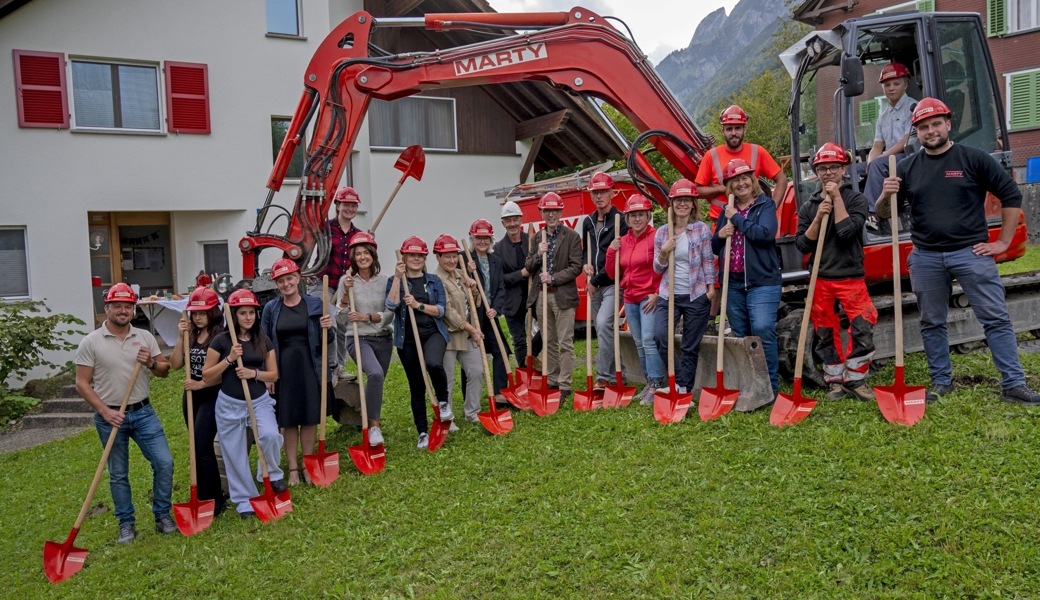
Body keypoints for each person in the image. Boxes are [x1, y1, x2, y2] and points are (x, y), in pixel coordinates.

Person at [877, 98, 1040, 405]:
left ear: (948, 124)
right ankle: (941, 383)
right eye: (923, 127)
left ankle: (1014, 384)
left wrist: (1003, 242)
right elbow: (884, 213)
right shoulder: (907, 167)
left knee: (995, 319)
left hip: (970, 253)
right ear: (916, 132)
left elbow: (1011, 194)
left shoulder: (973, 158)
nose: (931, 131)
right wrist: (887, 195)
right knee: (932, 322)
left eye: (936, 124)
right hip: (925, 256)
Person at [75, 283, 175, 543]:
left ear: (133, 309)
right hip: (110, 418)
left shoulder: (144, 337)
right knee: (118, 473)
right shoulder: (91, 342)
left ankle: (162, 515)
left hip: (143, 412)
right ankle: (126, 524)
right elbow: (82, 383)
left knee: (164, 462)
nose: (123, 310)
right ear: (106, 308)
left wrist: (151, 362)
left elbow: (164, 370)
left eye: (128, 306)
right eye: (117, 306)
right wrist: (105, 411)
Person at [795, 143, 877, 402]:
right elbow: (802, 245)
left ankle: (855, 378)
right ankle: (834, 380)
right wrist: (819, 218)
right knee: (824, 332)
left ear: (843, 169)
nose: (828, 172)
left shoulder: (856, 199)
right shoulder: (809, 206)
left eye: (833, 167)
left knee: (863, 326)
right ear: (816, 171)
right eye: (822, 168)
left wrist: (837, 199)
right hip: (821, 279)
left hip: (850, 277)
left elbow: (846, 232)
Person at [203, 289, 284, 519]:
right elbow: (207, 376)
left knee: (269, 435)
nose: (248, 317)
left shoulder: (262, 339)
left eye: (252, 312)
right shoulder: (221, 341)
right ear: (233, 315)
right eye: (242, 313)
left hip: (259, 401)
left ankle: (270, 473)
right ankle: (245, 501)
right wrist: (228, 359)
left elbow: (274, 375)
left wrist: (252, 373)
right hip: (229, 405)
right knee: (234, 454)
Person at [260, 258, 334, 486]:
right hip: (284, 369)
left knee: (310, 418)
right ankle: (292, 468)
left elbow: (327, 340)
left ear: (298, 277)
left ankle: (307, 464)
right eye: (280, 281)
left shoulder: (314, 304)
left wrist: (328, 328)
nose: (286, 284)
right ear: (277, 284)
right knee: (288, 420)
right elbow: (264, 343)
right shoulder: (271, 309)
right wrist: (267, 374)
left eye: (289, 278)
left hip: (310, 367)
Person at [713, 159, 783, 395]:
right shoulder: (727, 211)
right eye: (735, 180)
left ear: (752, 181)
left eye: (744, 178)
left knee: (762, 329)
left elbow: (764, 234)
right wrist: (721, 234)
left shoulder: (765, 205)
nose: (741, 183)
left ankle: (771, 385)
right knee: (741, 335)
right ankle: (753, 385)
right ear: (729, 186)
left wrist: (737, 219)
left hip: (761, 281)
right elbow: (714, 246)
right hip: (732, 283)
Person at [385, 236, 453, 449]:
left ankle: (443, 402)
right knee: (417, 386)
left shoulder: (434, 280)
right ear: (404, 257)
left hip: (433, 333)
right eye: (411, 255)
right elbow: (390, 304)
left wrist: (417, 305)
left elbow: (441, 310)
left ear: (425, 258)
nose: (415, 259)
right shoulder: (395, 280)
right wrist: (397, 278)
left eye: (419, 255)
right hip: (407, 339)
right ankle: (422, 432)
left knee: (434, 363)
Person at [168, 286, 227, 517]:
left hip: (212, 394)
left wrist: (201, 384)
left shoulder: (221, 336)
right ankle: (202, 495)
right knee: (195, 446)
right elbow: (175, 364)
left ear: (213, 312)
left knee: (203, 446)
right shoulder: (191, 334)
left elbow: (225, 372)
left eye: (203, 313)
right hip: (191, 395)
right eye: (195, 313)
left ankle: (216, 500)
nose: (199, 317)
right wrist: (181, 337)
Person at [654, 183, 716, 395]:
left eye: (687, 200)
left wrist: (710, 289)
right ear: (671, 203)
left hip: (696, 294)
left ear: (693, 204)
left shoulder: (701, 229)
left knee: (690, 346)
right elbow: (657, 268)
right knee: (660, 336)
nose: (682, 203)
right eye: (678, 200)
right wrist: (663, 252)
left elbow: (708, 260)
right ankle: (679, 380)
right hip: (668, 294)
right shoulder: (663, 232)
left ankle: (684, 390)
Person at [335, 232, 393, 446]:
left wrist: (367, 316)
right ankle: (374, 427)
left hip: (384, 338)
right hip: (358, 338)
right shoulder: (346, 281)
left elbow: (390, 314)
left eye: (366, 253)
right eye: (357, 253)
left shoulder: (386, 280)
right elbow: (340, 318)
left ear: (373, 254)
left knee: (377, 380)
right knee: (375, 374)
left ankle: (366, 418)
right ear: (352, 257)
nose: (362, 257)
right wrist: (344, 295)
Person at [524, 192, 583, 401]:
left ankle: (565, 385)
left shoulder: (572, 236)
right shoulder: (537, 237)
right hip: (541, 296)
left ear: (560, 212)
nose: (551, 214)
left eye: (554, 211)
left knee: (565, 342)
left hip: (562, 295)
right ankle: (553, 379)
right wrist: (538, 254)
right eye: (547, 211)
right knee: (548, 340)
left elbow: (576, 267)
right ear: (541, 212)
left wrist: (554, 278)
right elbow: (528, 265)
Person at [605, 194, 663, 404]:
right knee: (639, 342)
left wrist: (656, 292)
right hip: (629, 298)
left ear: (648, 216)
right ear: (627, 219)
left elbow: (664, 267)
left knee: (648, 340)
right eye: (633, 215)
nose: (637, 219)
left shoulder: (656, 237)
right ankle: (649, 383)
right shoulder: (624, 241)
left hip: (648, 298)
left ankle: (656, 384)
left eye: (641, 214)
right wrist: (612, 251)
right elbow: (612, 274)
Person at [695, 105, 787, 223]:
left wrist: (771, 210)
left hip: (752, 223)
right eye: (729, 129)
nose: (733, 133)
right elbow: (697, 191)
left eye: (737, 128)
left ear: (744, 129)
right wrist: (720, 189)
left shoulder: (757, 151)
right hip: (722, 224)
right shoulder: (711, 156)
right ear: (723, 131)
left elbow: (782, 180)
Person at [581, 172, 629, 389]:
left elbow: (618, 262)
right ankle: (622, 373)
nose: (599, 196)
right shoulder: (588, 222)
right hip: (594, 285)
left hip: (612, 283)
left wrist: (596, 281)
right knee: (604, 330)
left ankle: (602, 377)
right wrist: (586, 264)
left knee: (602, 324)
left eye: (603, 191)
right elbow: (586, 251)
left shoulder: (622, 221)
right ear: (591, 195)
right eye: (595, 192)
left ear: (612, 192)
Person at [433, 234, 485, 422]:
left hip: (468, 335)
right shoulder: (436, 279)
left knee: (477, 371)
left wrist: (474, 288)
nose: (452, 260)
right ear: (437, 257)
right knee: (447, 380)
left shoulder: (462, 273)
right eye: (447, 256)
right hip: (447, 337)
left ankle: (472, 412)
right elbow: (447, 312)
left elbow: (476, 303)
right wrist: (472, 330)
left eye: (454, 255)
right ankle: (448, 418)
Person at [858, 63, 914, 230]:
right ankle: (852, 210)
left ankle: (871, 214)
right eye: (887, 85)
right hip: (888, 159)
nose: (891, 88)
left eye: (896, 84)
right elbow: (877, 145)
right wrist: (869, 162)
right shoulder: (883, 117)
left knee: (877, 164)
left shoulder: (912, 108)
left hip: (907, 157)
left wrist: (880, 158)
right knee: (851, 170)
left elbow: (906, 142)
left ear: (905, 84)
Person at [464, 219, 509, 406]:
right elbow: (459, 282)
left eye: (486, 238)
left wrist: (496, 308)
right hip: (472, 315)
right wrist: (466, 271)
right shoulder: (464, 258)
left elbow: (501, 288)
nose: (482, 241)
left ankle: (499, 393)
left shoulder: (496, 260)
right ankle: (469, 396)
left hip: (489, 314)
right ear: (472, 238)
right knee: (471, 357)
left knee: (501, 351)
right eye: (478, 238)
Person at [494, 200, 532, 370]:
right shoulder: (498, 249)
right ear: (503, 223)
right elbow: (499, 278)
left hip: (533, 296)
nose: (512, 224)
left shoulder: (532, 240)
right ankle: (525, 372)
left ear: (521, 220)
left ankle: (535, 354)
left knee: (548, 331)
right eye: (508, 221)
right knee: (519, 340)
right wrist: (522, 274)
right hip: (512, 301)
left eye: (515, 219)